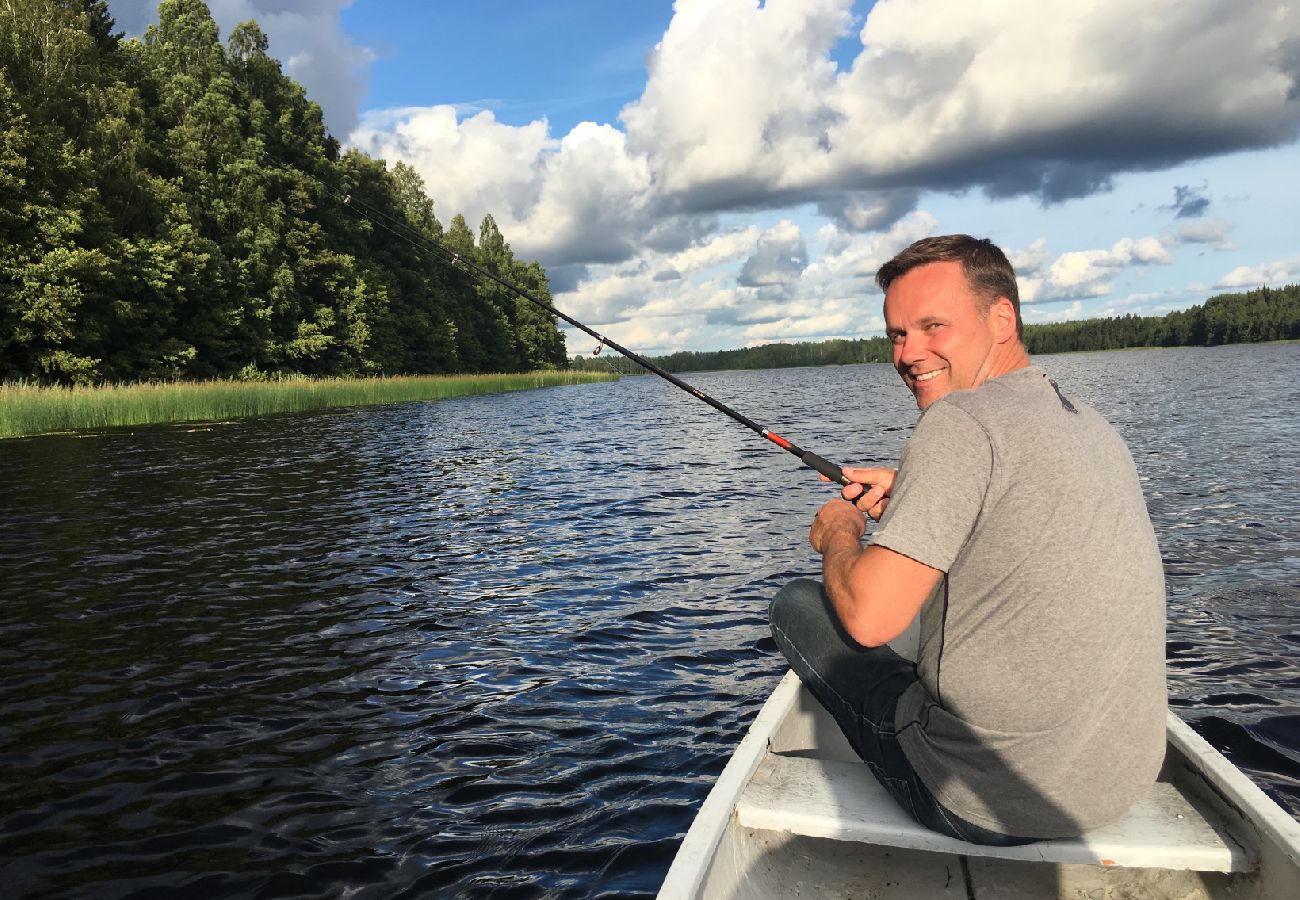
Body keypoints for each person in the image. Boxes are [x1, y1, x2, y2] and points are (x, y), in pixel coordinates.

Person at [769, 234, 1167, 845]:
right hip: (1120, 782)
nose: (909, 353)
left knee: (798, 604)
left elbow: (871, 619)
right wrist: (913, 492)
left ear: (1001, 318)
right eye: (897, 335)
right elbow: (1022, 500)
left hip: (983, 801)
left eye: (933, 326)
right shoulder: (1084, 418)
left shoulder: (956, 423)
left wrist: (841, 533)